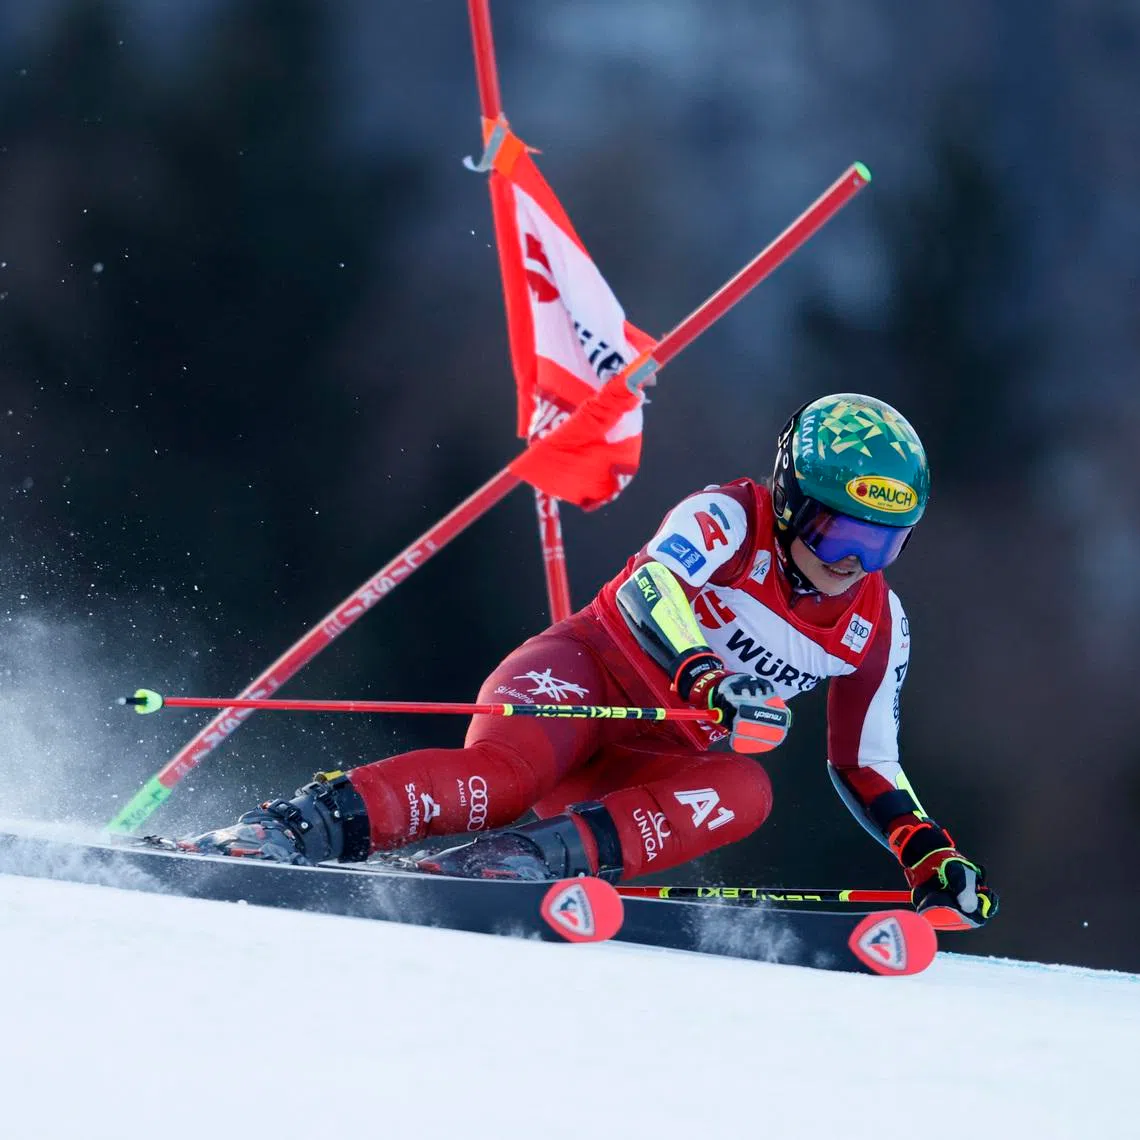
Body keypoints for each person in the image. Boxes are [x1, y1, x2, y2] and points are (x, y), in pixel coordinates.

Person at [188, 393, 998, 930]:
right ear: (789, 500)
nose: (855, 561)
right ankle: (297, 827)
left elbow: (866, 759)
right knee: (504, 783)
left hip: (650, 760)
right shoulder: (726, 516)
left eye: (883, 541)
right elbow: (652, 588)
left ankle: (515, 865)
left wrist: (926, 851)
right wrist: (708, 681)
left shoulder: (877, 623)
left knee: (747, 789)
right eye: (839, 534)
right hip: (579, 684)